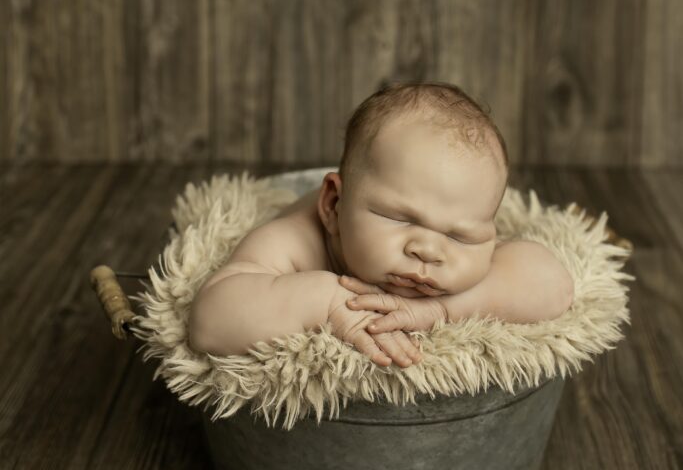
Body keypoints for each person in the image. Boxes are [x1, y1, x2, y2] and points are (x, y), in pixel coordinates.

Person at [188, 82, 574, 367]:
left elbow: (553, 283)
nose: (428, 250)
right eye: (399, 217)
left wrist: (443, 309)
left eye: (460, 235)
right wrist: (326, 303)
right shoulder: (299, 239)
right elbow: (209, 321)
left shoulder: (464, 245)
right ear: (334, 205)